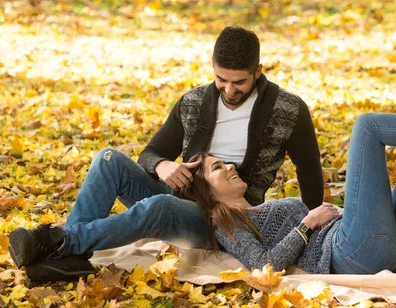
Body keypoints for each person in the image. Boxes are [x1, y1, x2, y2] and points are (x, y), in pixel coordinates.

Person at [8, 26, 324, 282]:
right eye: (221, 80)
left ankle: (59, 242)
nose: (229, 91)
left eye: (239, 82)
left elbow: (309, 170)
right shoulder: (194, 102)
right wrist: (161, 166)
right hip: (179, 195)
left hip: (224, 218)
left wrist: (313, 224)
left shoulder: (288, 110)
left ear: (258, 71)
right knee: (108, 160)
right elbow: (151, 153)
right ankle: (69, 257)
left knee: (160, 206)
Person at [175, 76, 396, 281]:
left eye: (224, 161)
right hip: (355, 252)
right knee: (366, 127)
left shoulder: (255, 208)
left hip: (388, 247)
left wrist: (328, 213)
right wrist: (307, 223)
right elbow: (263, 265)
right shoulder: (224, 223)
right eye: (217, 169)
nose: (229, 166)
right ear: (208, 193)